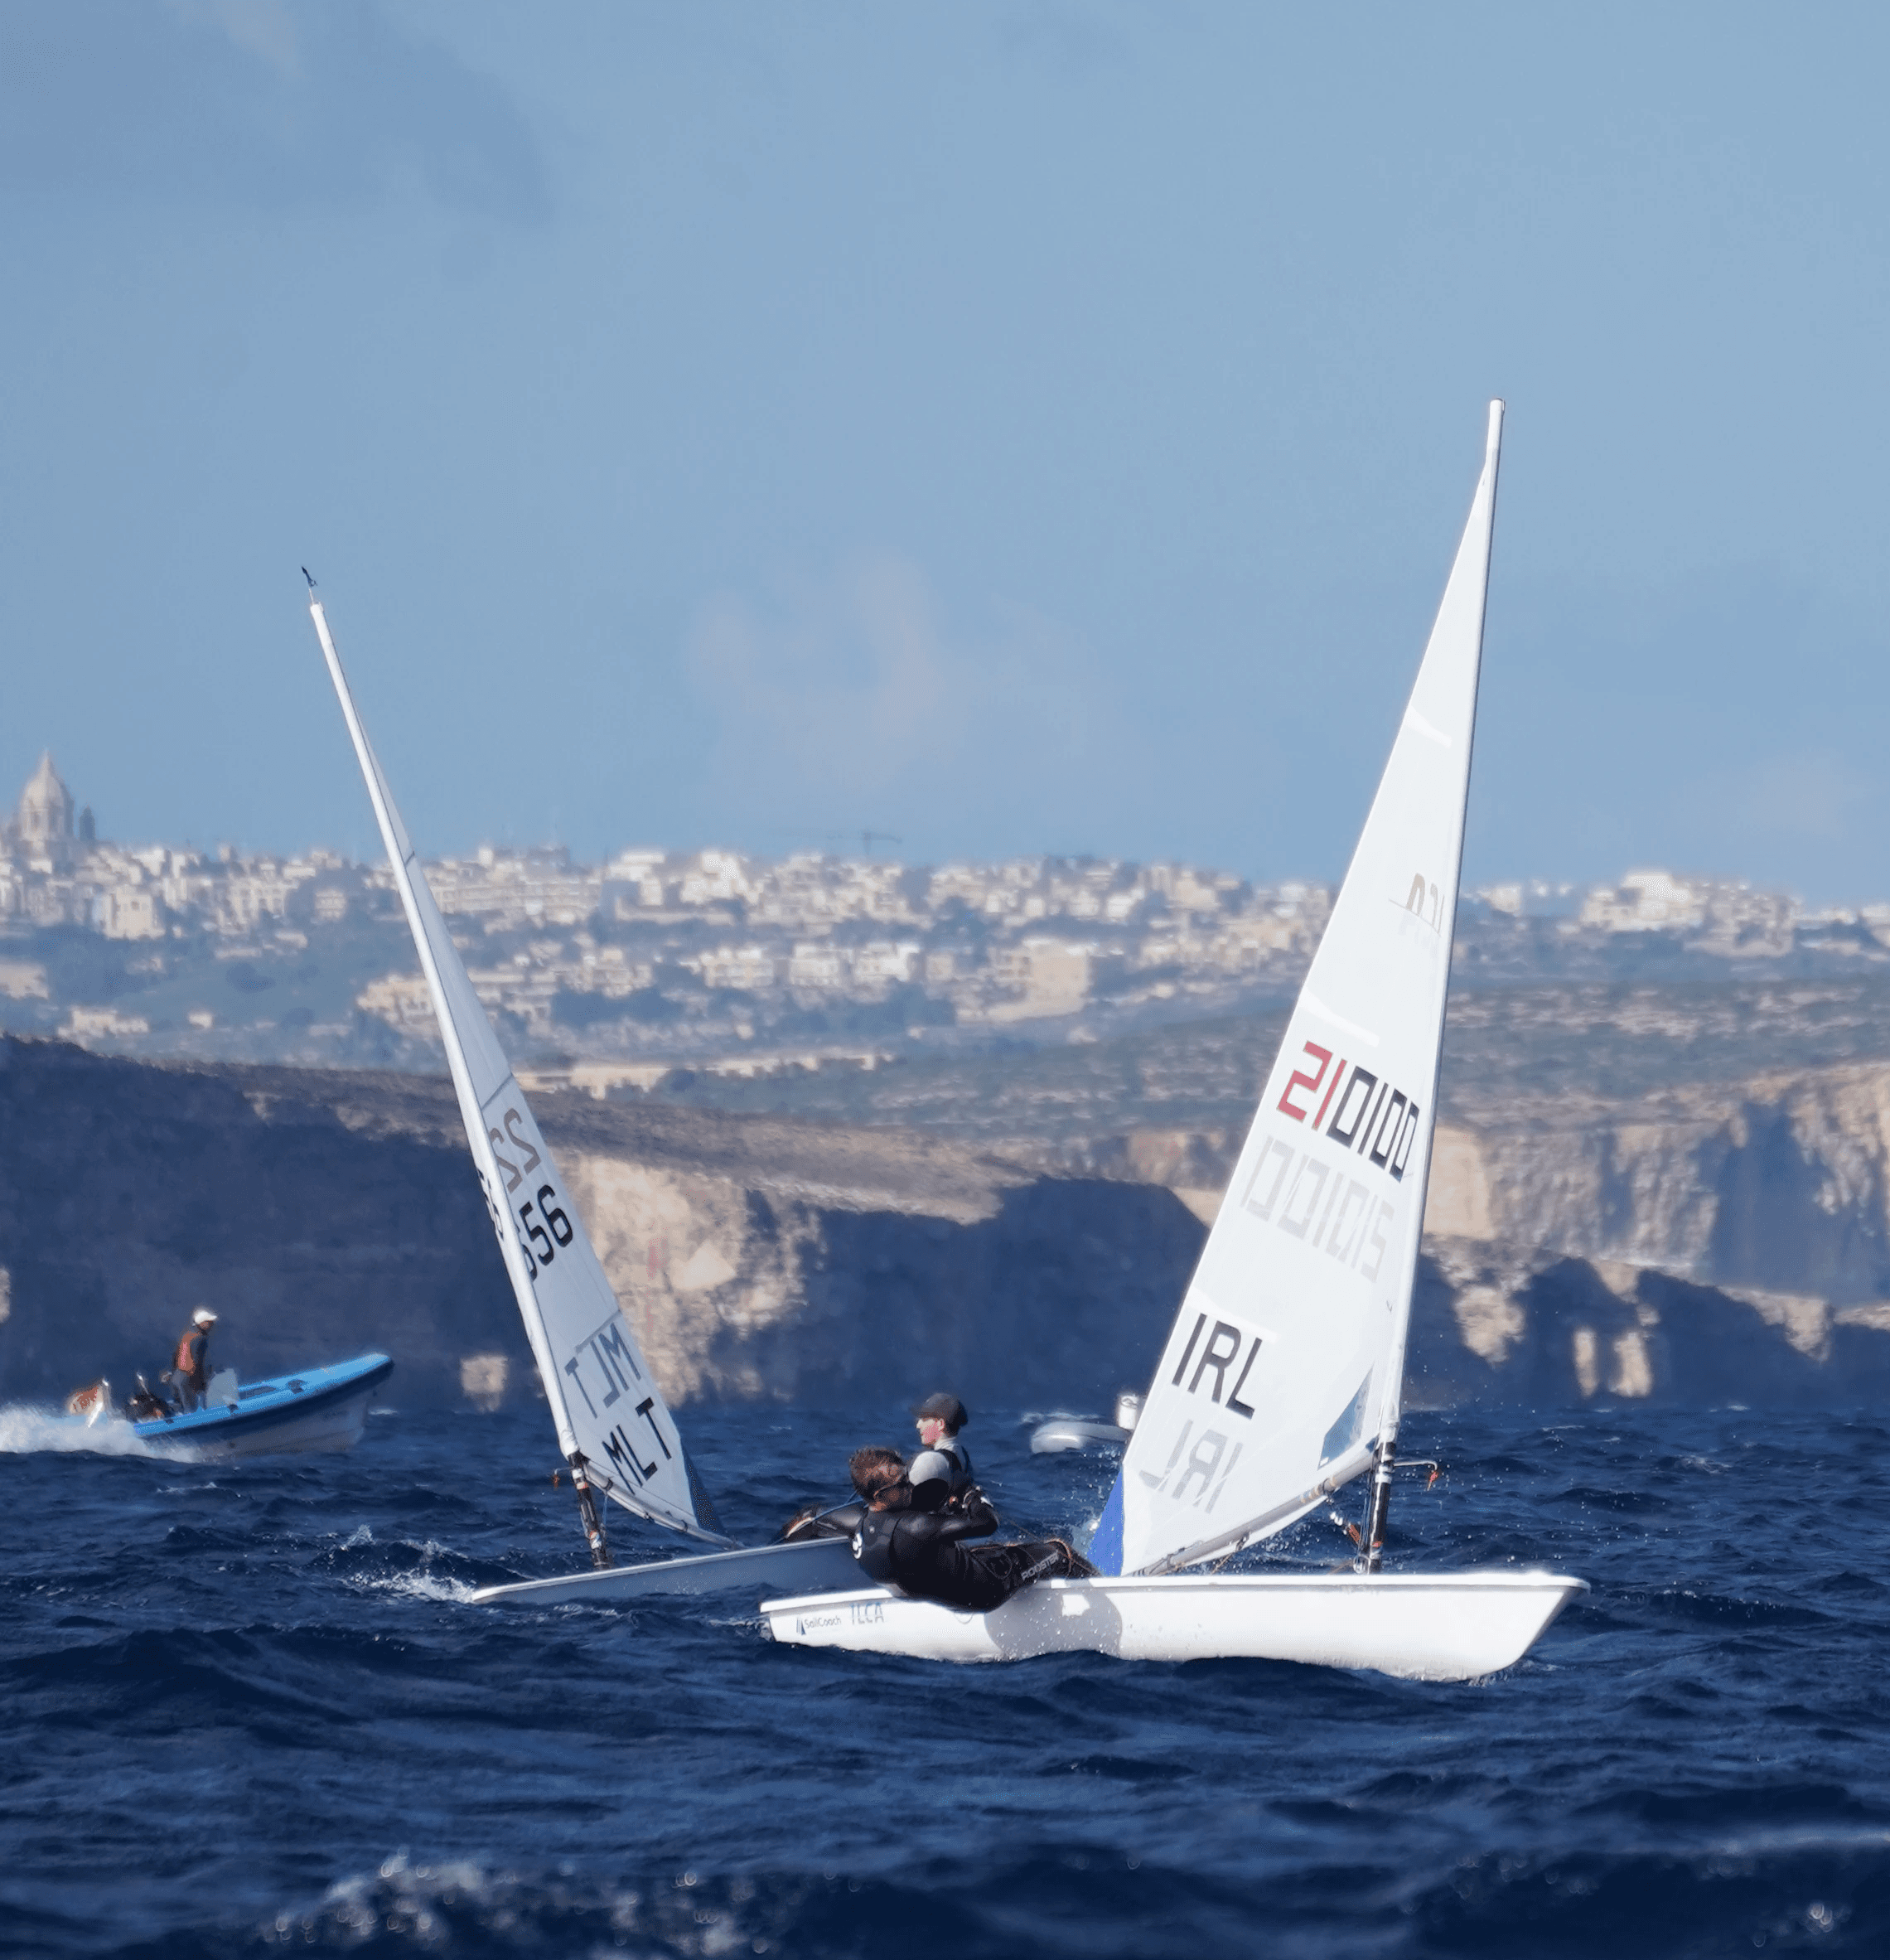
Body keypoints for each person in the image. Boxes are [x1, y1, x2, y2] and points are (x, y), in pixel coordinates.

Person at [846, 1444, 1094, 1613]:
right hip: (988, 1591)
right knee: (1059, 1551)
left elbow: (916, 1534)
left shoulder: (860, 1526)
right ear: (880, 1495)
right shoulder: (915, 1527)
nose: (911, 1485)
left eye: (907, 1475)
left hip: (947, 1595)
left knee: (1003, 1550)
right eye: (902, 1484)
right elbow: (987, 1523)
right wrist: (971, 1494)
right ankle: (1107, 1588)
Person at [909, 1391, 974, 1507]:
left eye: (924, 1419)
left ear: (940, 1424)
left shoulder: (931, 1460)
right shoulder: (963, 1455)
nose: (918, 1425)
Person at [167, 1307, 216, 1412]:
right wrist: (201, 1384)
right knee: (191, 1412)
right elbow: (197, 1363)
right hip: (187, 1379)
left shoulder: (187, 1336)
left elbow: (176, 1357)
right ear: (203, 1324)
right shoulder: (201, 1339)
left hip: (177, 1377)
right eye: (210, 1322)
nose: (212, 1324)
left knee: (181, 1410)